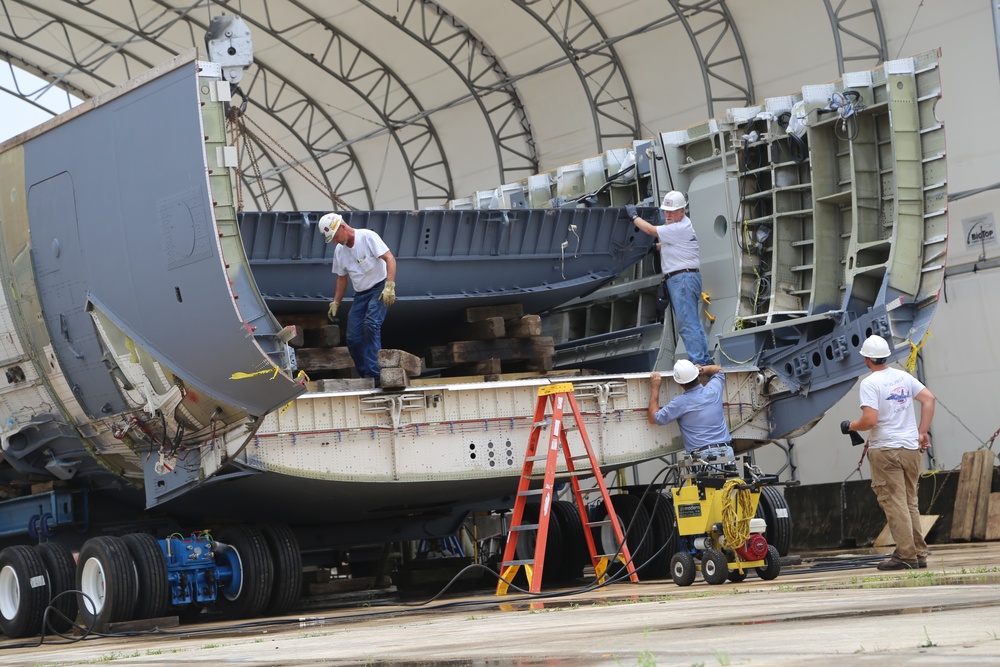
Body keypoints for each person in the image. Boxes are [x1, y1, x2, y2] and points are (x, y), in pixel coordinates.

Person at [842, 334, 935, 571]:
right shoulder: (903, 376)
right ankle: (918, 552)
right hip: (911, 449)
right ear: (886, 356)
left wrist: (850, 426)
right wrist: (922, 433)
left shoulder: (870, 383)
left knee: (894, 503)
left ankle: (906, 555)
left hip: (886, 449)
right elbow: (928, 400)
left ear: (866, 359)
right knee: (910, 502)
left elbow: (870, 420)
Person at [627, 192, 712, 366]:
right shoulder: (684, 225)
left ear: (682, 211)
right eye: (666, 211)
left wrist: (634, 216)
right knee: (692, 322)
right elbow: (670, 244)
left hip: (682, 280)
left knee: (687, 324)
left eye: (672, 212)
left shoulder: (678, 228)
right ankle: (704, 360)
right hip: (686, 278)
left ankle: (699, 362)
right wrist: (655, 247)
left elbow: (651, 230)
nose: (668, 215)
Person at [319, 213, 397, 380]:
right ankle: (366, 375)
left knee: (371, 324)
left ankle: (375, 375)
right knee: (353, 337)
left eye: (334, 236)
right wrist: (335, 302)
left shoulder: (367, 237)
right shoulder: (340, 251)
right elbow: (341, 278)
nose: (335, 241)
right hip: (361, 294)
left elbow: (389, 258)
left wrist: (389, 286)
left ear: (343, 227)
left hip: (379, 287)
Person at [648, 359, 733, 460]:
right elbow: (718, 370)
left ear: (680, 384)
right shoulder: (713, 391)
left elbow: (654, 418)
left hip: (702, 457)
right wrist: (702, 369)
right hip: (727, 451)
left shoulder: (680, 403)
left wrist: (655, 388)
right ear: (697, 376)